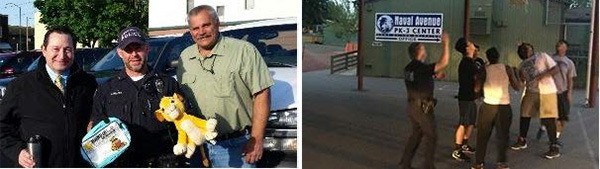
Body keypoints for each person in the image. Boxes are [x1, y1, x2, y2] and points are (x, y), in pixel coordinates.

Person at [177, 5, 273, 167]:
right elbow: (182, 99)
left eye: (206, 25)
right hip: (197, 147)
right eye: (195, 28)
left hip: (236, 144)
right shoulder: (185, 57)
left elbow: (262, 93)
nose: (201, 32)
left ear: (217, 23)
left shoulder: (243, 51)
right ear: (190, 31)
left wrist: (256, 139)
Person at [0, 27, 97, 167]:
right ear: (44, 50)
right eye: (55, 49)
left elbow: (96, 118)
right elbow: (3, 126)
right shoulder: (21, 86)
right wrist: (17, 152)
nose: (62, 55)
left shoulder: (88, 83)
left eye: (67, 49)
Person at [90, 27, 183, 167]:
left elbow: (184, 120)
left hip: (163, 161)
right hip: (124, 163)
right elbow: (97, 125)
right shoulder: (106, 89)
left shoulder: (167, 83)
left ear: (146, 48)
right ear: (120, 53)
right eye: (128, 50)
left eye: (138, 48)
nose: (134, 54)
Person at [399, 32, 450, 169]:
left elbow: (419, 78)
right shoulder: (421, 67)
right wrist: (445, 43)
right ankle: (428, 166)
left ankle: (405, 163)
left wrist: (433, 76)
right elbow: (443, 62)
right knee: (431, 136)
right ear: (419, 51)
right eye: (423, 48)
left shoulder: (409, 68)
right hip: (422, 108)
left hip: (412, 106)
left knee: (416, 134)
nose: (425, 49)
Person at [471, 48, 523, 169]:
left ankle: (479, 163)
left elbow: (476, 89)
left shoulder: (484, 69)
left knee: (482, 135)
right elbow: (516, 87)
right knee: (503, 136)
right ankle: (501, 163)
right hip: (504, 106)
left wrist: (478, 84)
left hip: (488, 106)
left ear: (488, 58)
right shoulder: (507, 68)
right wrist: (517, 75)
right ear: (498, 56)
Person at [510, 43, 561, 159]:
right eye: (523, 49)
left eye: (527, 47)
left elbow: (556, 69)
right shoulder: (521, 65)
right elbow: (521, 82)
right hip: (531, 91)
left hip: (547, 90)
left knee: (548, 118)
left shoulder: (542, 56)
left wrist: (542, 76)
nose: (525, 49)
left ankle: (554, 146)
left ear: (532, 49)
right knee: (524, 113)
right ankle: (522, 140)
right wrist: (515, 75)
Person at [452, 38, 485, 162]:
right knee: (463, 123)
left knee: (471, 122)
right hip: (465, 97)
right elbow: (476, 79)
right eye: (471, 44)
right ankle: (457, 150)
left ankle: (465, 144)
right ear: (467, 48)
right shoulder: (466, 63)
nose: (473, 45)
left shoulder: (471, 62)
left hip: (471, 97)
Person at [537, 40, 577, 140]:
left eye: (562, 46)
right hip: (549, 91)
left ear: (566, 48)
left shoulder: (569, 62)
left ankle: (556, 137)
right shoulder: (549, 58)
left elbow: (570, 79)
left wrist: (569, 93)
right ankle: (543, 127)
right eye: (558, 46)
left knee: (562, 117)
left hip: (561, 91)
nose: (559, 48)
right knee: (547, 114)